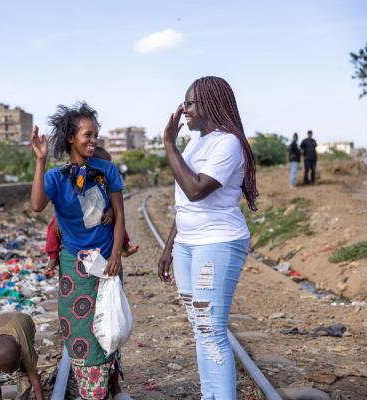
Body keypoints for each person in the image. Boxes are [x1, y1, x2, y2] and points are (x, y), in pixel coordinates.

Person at [157, 76, 258, 399]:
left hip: (218, 243)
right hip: (188, 244)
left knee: (211, 330)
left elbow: (196, 190)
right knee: (200, 328)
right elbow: (183, 202)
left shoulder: (227, 142)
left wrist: (169, 144)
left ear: (210, 104)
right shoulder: (196, 142)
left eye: (189, 103)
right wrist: (169, 246)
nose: (183, 109)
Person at [30, 102, 129, 400]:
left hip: (108, 264)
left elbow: (120, 214)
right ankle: (93, 393)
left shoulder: (107, 169)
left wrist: (116, 256)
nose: (93, 140)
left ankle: (107, 385)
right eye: (87, 135)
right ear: (71, 138)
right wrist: (40, 161)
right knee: (81, 333)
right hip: (76, 266)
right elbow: (36, 206)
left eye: (95, 135)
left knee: (110, 324)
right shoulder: (56, 178)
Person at [45, 146, 138, 272]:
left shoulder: (106, 179)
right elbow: (64, 202)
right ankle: (53, 256)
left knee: (117, 220)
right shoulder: (74, 177)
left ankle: (125, 246)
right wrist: (58, 219)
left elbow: (114, 203)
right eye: (103, 164)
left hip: (101, 214)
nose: (106, 167)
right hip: (76, 217)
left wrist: (110, 210)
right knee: (53, 227)